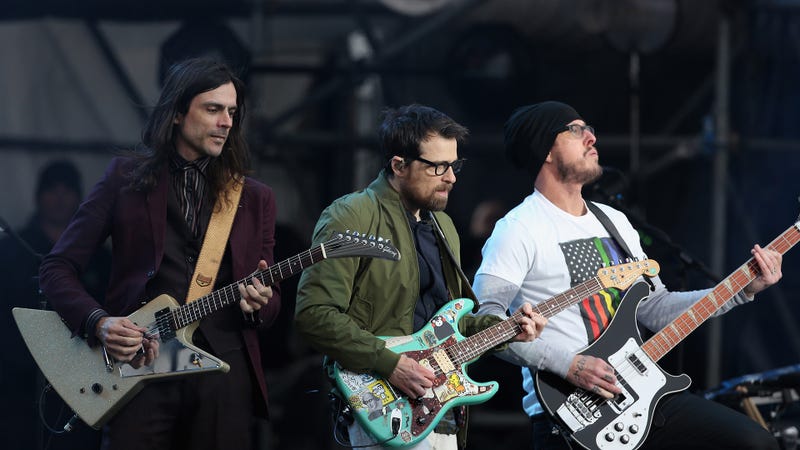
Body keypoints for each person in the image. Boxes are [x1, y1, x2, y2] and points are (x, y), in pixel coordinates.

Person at [473, 101, 784, 449]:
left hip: (640, 393)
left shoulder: (613, 221)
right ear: (545, 150)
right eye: (576, 130)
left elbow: (654, 307)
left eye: (589, 128)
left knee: (754, 443)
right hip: (571, 413)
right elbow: (486, 321)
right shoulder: (517, 229)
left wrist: (743, 288)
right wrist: (569, 365)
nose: (591, 137)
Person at [38, 58, 281, 450]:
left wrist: (259, 304)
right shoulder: (124, 179)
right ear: (176, 113)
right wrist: (99, 323)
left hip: (221, 375)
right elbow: (56, 268)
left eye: (232, 112)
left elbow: (269, 308)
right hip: (138, 368)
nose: (227, 122)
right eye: (213, 109)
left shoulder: (254, 198)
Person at [294, 104, 547, 450]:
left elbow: (455, 324)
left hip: (440, 411)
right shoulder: (351, 215)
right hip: (382, 406)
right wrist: (391, 364)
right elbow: (314, 315)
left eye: (454, 165)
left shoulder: (443, 227)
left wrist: (508, 330)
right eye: (439, 166)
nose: (452, 177)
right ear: (399, 165)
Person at [0, 160, 110, 450]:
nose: (60, 197)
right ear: (39, 195)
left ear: (79, 197)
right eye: (52, 189)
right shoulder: (11, 248)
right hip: (18, 382)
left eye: (67, 189)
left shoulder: (100, 256)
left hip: (82, 380)